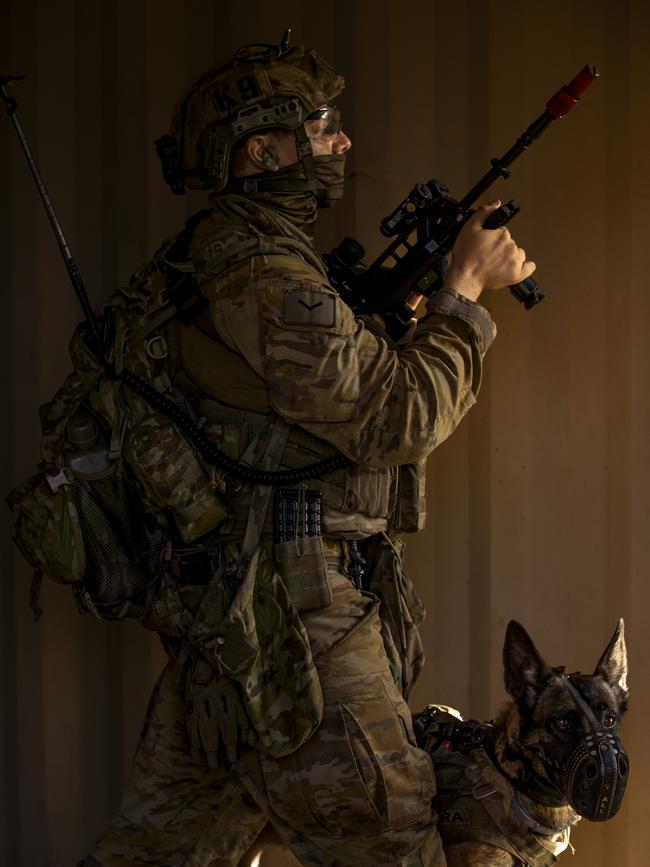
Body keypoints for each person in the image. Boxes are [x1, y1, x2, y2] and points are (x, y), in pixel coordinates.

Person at [79, 35, 535, 867]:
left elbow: (290, 411)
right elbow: (395, 413)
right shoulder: (258, 268)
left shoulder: (235, 259)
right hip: (298, 627)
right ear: (263, 151)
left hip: (231, 629)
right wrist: (463, 296)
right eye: (324, 127)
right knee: (399, 847)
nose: (343, 143)